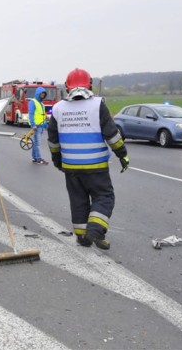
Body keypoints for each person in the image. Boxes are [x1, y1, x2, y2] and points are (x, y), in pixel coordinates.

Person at [47, 68, 129, 250]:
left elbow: (53, 141)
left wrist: (57, 161)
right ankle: (96, 229)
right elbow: (112, 135)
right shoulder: (98, 104)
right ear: (89, 85)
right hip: (96, 166)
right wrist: (122, 155)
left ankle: (83, 238)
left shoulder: (58, 108)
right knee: (104, 196)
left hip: (71, 167)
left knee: (78, 201)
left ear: (67, 87)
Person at [28, 87, 49, 165]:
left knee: (36, 142)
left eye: (44, 94)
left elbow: (41, 114)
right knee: (37, 143)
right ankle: (38, 159)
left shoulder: (41, 103)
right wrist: (33, 124)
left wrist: (46, 118)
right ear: (38, 94)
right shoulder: (33, 102)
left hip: (41, 125)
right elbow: (31, 114)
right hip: (36, 126)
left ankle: (34, 158)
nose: (43, 95)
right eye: (41, 94)